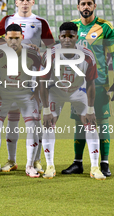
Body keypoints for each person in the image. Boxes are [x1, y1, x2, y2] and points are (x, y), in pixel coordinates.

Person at [0, 0, 54, 174]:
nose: (25, 2)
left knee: (34, 121)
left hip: (33, 79)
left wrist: (39, 51)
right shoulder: (8, 21)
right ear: (16, 2)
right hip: (10, 79)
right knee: (12, 119)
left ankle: (35, 161)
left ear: (33, 2)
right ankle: (11, 160)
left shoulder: (40, 22)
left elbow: (51, 49)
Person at [40, 22, 106, 180]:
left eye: (71, 36)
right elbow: (42, 83)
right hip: (56, 91)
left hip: (79, 91)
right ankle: (50, 166)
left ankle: (95, 167)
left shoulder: (87, 55)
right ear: (59, 37)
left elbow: (91, 83)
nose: (67, 39)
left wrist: (90, 109)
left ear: (77, 37)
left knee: (91, 125)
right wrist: (46, 110)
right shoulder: (50, 55)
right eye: (64, 36)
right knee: (49, 125)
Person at [62, 0, 114, 177]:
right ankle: (78, 162)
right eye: (82, 4)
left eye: (89, 3)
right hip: (77, 84)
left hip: (99, 83)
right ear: (78, 7)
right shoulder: (72, 27)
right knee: (79, 122)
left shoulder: (105, 27)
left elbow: (112, 55)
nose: (86, 7)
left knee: (101, 121)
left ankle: (105, 163)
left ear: (94, 6)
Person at [0, 24, 41, 178]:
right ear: (5, 38)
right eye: (11, 38)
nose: (14, 41)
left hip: (25, 93)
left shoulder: (32, 53)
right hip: (4, 93)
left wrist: (36, 89)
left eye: (17, 38)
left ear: (22, 37)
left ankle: (29, 165)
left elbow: (43, 69)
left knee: (32, 127)